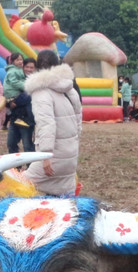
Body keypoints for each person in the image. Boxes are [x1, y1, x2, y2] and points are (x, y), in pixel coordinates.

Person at [24, 48, 82, 198]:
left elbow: (46, 124)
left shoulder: (41, 92)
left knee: (20, 183)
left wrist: (45, 155)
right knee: (66, 194)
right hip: (70, 155)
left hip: (53, 156)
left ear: (37, 68)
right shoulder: (70, 89)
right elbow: (78, 121)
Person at [6, 57, 36, 154]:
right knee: (11, 143)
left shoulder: (36, 81)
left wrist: (15, 102)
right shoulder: (17, 78)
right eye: (27, 67)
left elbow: (28, 94)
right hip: (15, 117)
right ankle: (15, 167)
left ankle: (31, 167)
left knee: (28, 145)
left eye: (32, 68)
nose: (29, 69)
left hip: (27, 118)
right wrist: (9, 102)